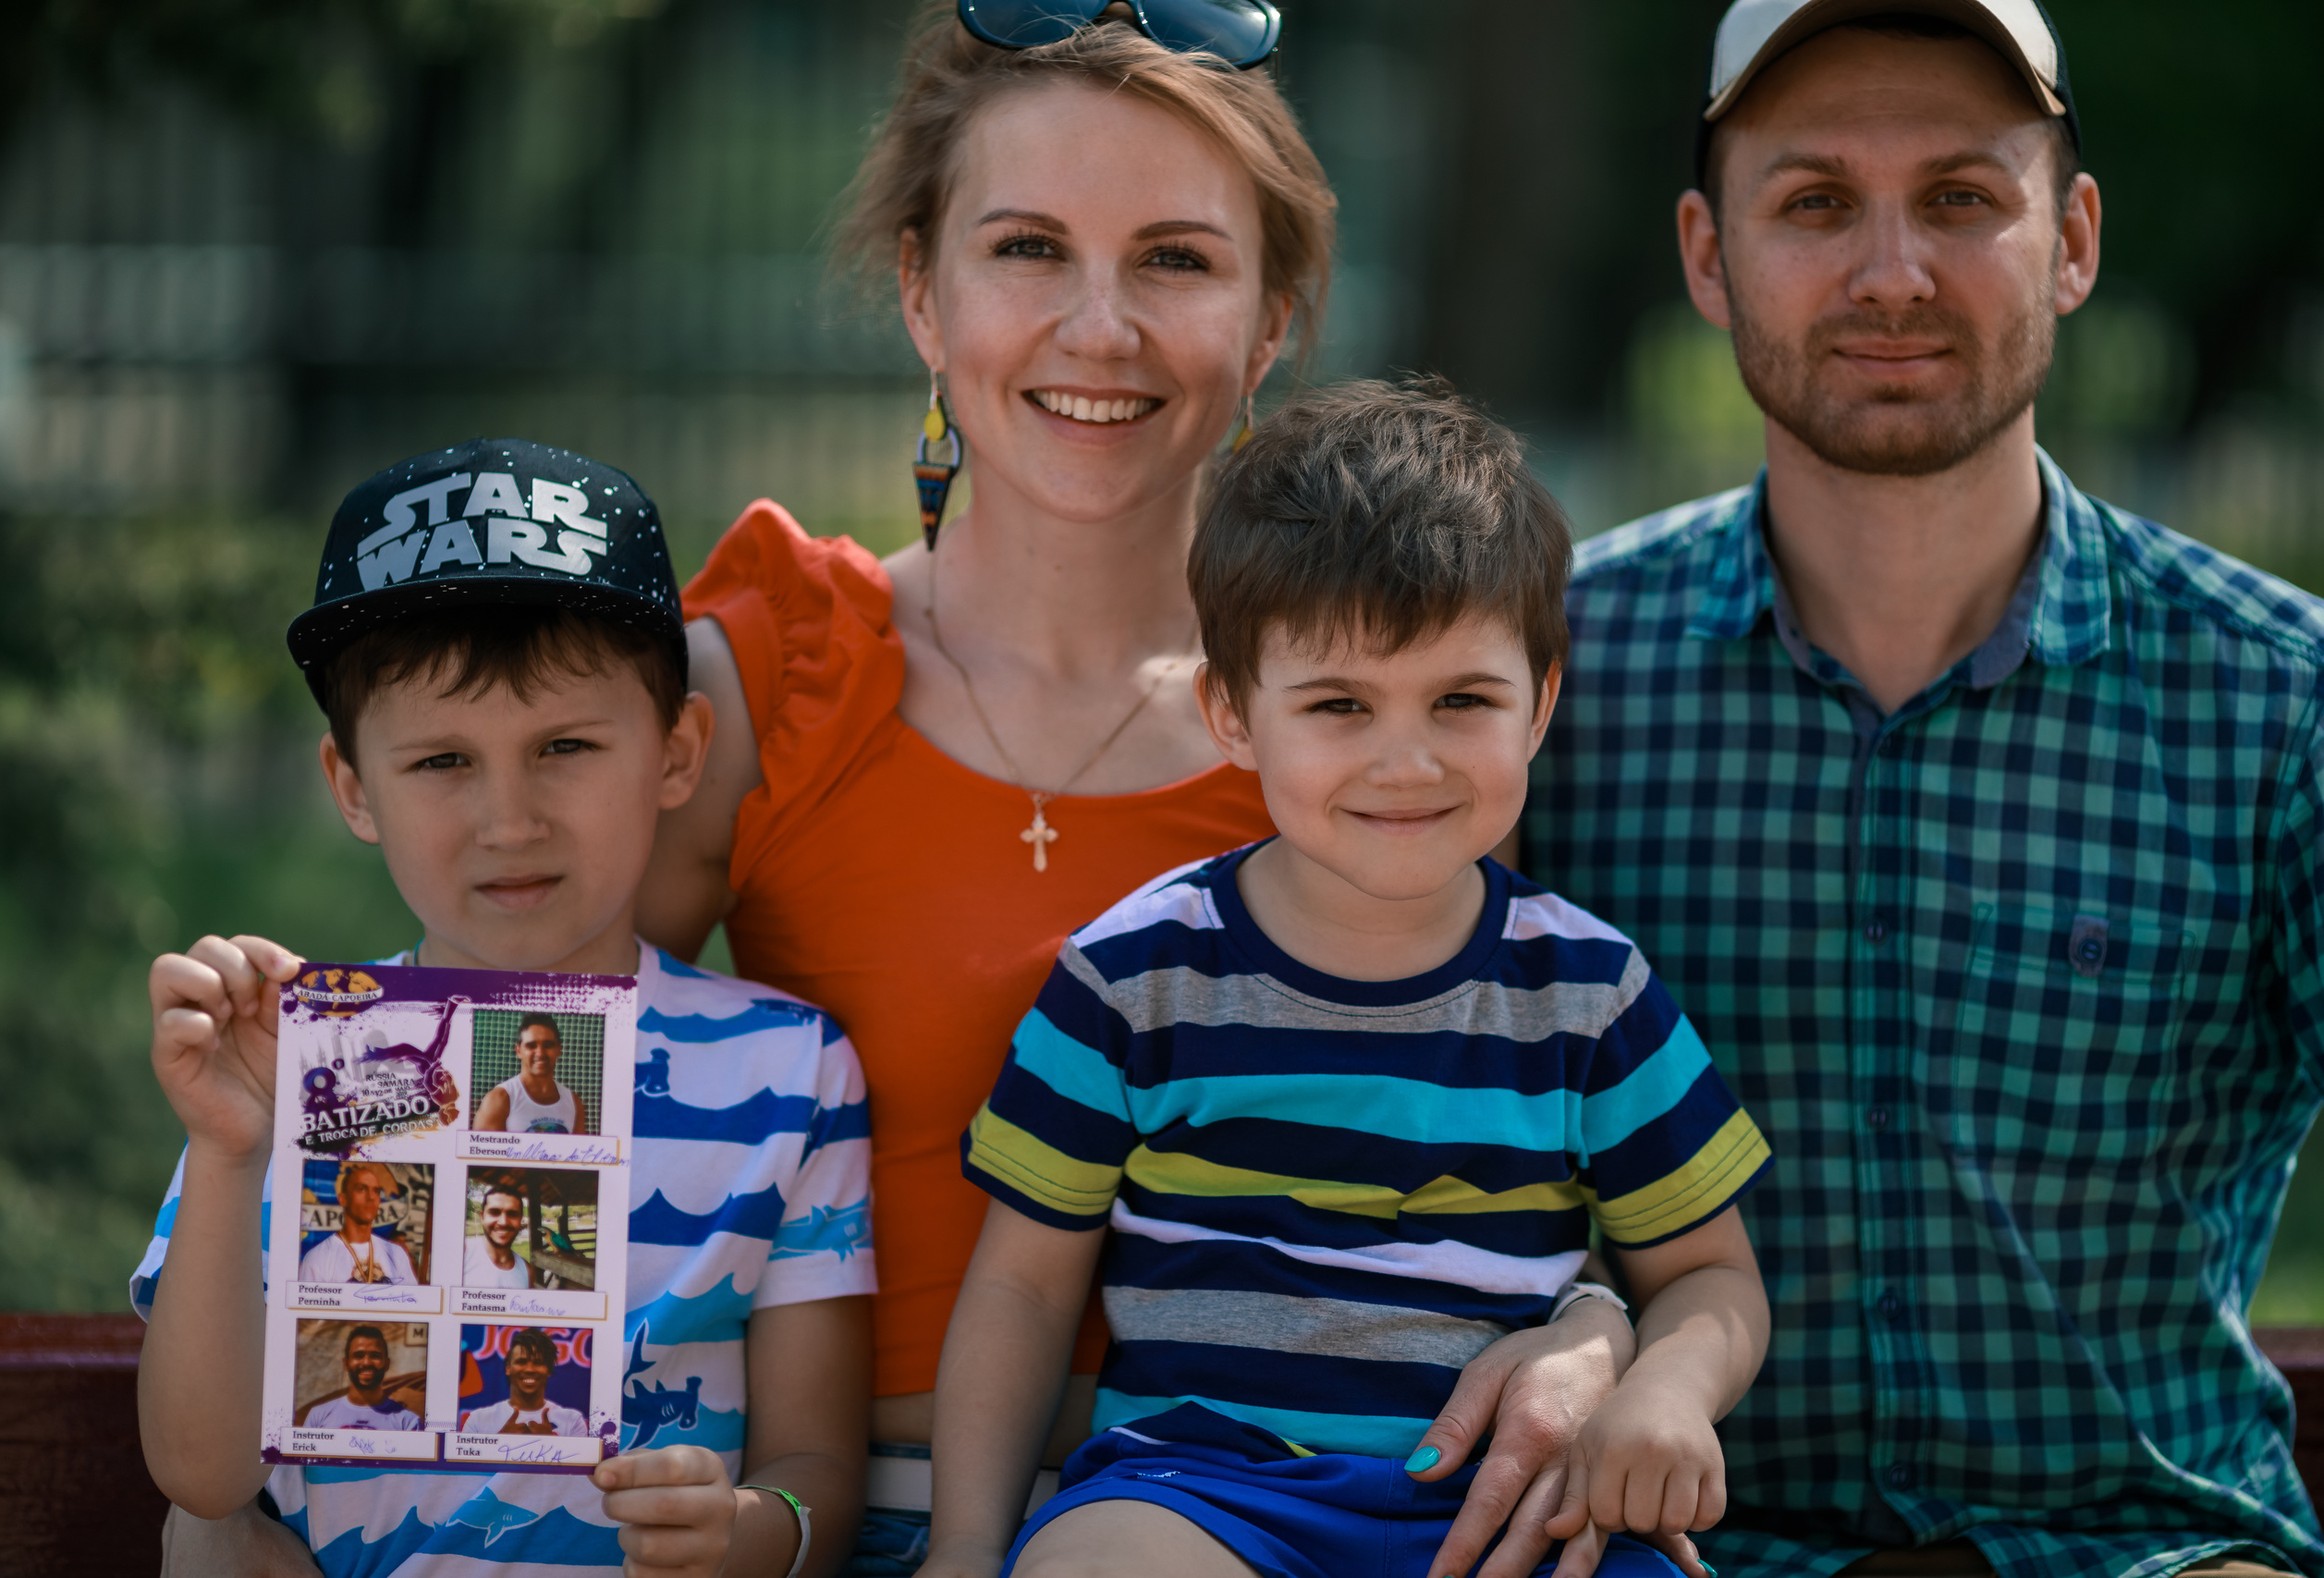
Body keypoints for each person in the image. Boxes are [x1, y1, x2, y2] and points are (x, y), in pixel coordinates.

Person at [638, 9, 1641, 1572]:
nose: (1097, 327)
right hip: (850, 1523)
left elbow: (1535, 1093)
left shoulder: (1368, 725)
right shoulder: (768, 675)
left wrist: (1595, 1324)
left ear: (1272, 318)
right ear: (922, 288)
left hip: (1311, 1515)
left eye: (1174, 259)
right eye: (1028, 248)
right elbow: (512, 1075)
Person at [1521, 5, 2324, 1576]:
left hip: (2149, 1555)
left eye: (1962, 197)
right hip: (1677, 1560)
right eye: (1815, 202)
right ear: (1707, 254)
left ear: (2073, 238)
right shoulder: (1546, 691)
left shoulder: (2280, 699)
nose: (1893, 274)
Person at [924, 381, 1773, 1578]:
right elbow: (1019, 1285)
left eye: (1463, 699)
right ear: (1232, 711)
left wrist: (1666, 1388)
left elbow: (1708, 1275)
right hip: (1203, 1491)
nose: (1407, 759)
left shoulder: (1591, 992)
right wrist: (963, 1545)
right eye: (1338, 704)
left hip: (1508, 1503)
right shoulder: (1133, 977)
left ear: (1543, 699)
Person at [135, 439, 877, 1578]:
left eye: (565, 746)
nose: (510, 819)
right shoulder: (288, 1066)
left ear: (677, 751)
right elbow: (202, 1477)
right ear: (352, 788)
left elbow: (816, 1469)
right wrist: (233, 1152)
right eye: (441, 762)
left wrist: (747, 1532)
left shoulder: (785, 1072)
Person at [297, 1161, 418, 1286]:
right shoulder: (317, 1259)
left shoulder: (397, 1255)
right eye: (361, 1189)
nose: (371, 1197)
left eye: (376, 1191)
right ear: (343, 1199)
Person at [460, 1328, 592, 1437]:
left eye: (538, 1363)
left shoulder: (573, 1421)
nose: (529, 1369)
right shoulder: (478, 1420)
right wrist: (499, 1441)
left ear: (549, 1370)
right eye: (521, 1362)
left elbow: (580, 1468)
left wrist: (551, 1443)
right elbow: (465, 1467)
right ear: (508, 1368)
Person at [476, 1012, 586, 1133]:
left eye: (548, 1045)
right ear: (518, 1051)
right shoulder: (499, 1099)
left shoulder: (573, 1102)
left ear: (558, 1049)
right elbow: (477, 1151)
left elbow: (578, 1151)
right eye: (531, 1046)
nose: (540, 1053)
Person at [301, 1326, 423, 1432]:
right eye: (358, 1356)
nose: (366, 1362)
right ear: (346, 1363)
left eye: (375, 1356)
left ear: (387, 1364)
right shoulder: (318, 1416)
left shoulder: (408, 1423)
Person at [464, 1181, 539, 1290]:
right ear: (482, 1216)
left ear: (520, 1219)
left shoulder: (527, 1271)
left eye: (512, 1214)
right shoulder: (462, 1253)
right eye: (495, 1212)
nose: (503, 1222)